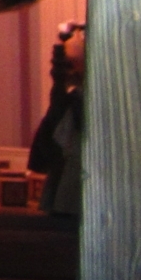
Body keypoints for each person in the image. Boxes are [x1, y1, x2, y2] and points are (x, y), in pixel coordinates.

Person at [27, 23, 85, 216]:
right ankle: (61, 203)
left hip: (81, 105)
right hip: (75, 107)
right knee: (66, 154)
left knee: (70, 156)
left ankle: (63, 203)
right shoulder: (74, 55)